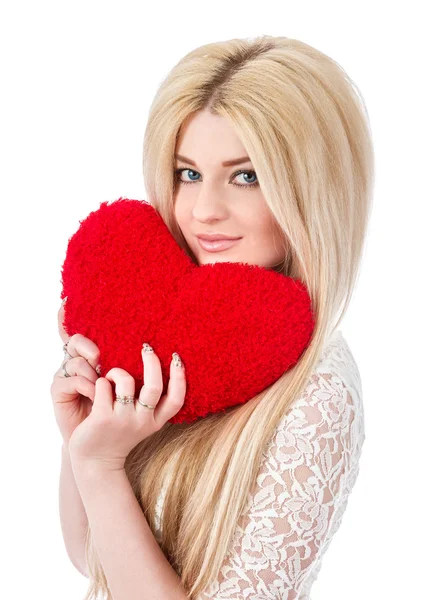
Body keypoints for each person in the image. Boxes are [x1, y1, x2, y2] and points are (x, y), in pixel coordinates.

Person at [52, 35, 374, 600]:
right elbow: (92, 562)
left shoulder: (317, 393)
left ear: (312, 189)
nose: (204, 211)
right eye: (188, 174)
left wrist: (102, 469)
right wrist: (82, 440)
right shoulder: (172, 338)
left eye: (246, 176)